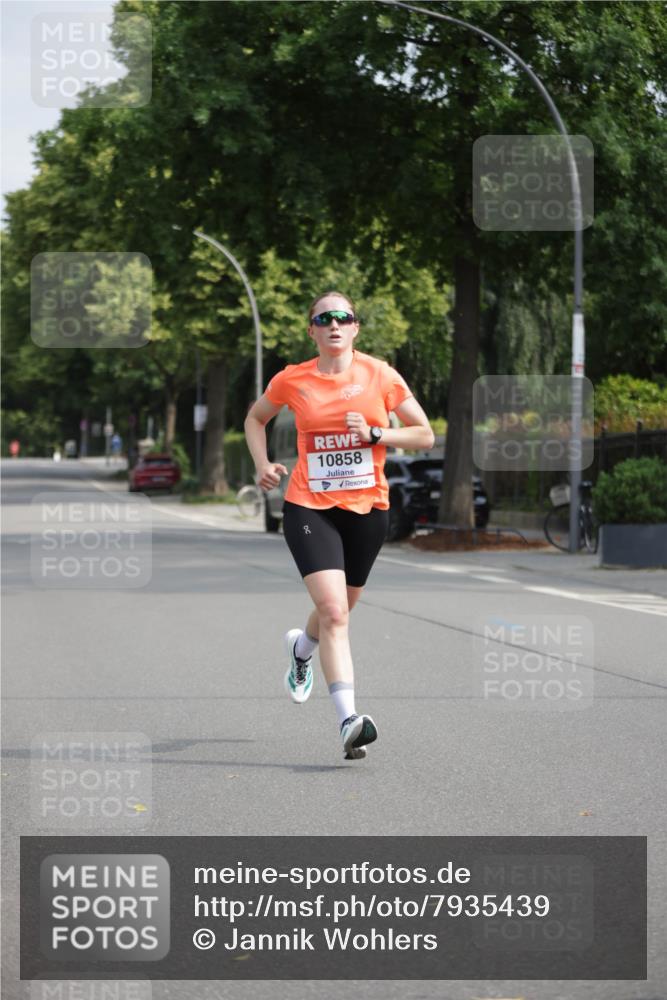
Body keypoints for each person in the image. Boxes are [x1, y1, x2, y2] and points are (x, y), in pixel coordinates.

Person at [244, 291, 434, 760]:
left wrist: (376, 433)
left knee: (340, 610)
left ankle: (301, 649)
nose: (334, 324)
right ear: (311, 330)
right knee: (334, 613)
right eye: (323, 318)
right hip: (309, 506)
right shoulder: (293, 379)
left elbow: (424, 434)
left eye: (343, 317)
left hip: (368, 509)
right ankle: (349, 720)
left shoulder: (379, 374)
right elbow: (255, 417)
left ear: (355, 328)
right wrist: (262, 462)